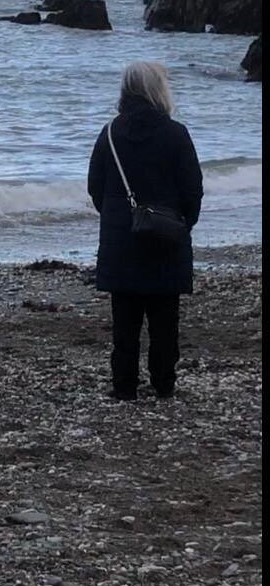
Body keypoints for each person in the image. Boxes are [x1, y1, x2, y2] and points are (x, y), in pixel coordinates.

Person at [88, 61, 204, 401]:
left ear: (125, 90)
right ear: (158, 89)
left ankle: (124, 385)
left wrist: (117, 219)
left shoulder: (110, 133)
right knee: (165, 318)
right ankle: (163, 383)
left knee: (125, 320)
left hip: (121, 239)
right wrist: (181, 225)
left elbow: (95, 187)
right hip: (166, 238)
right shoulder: (176, 134)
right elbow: (193, 190)